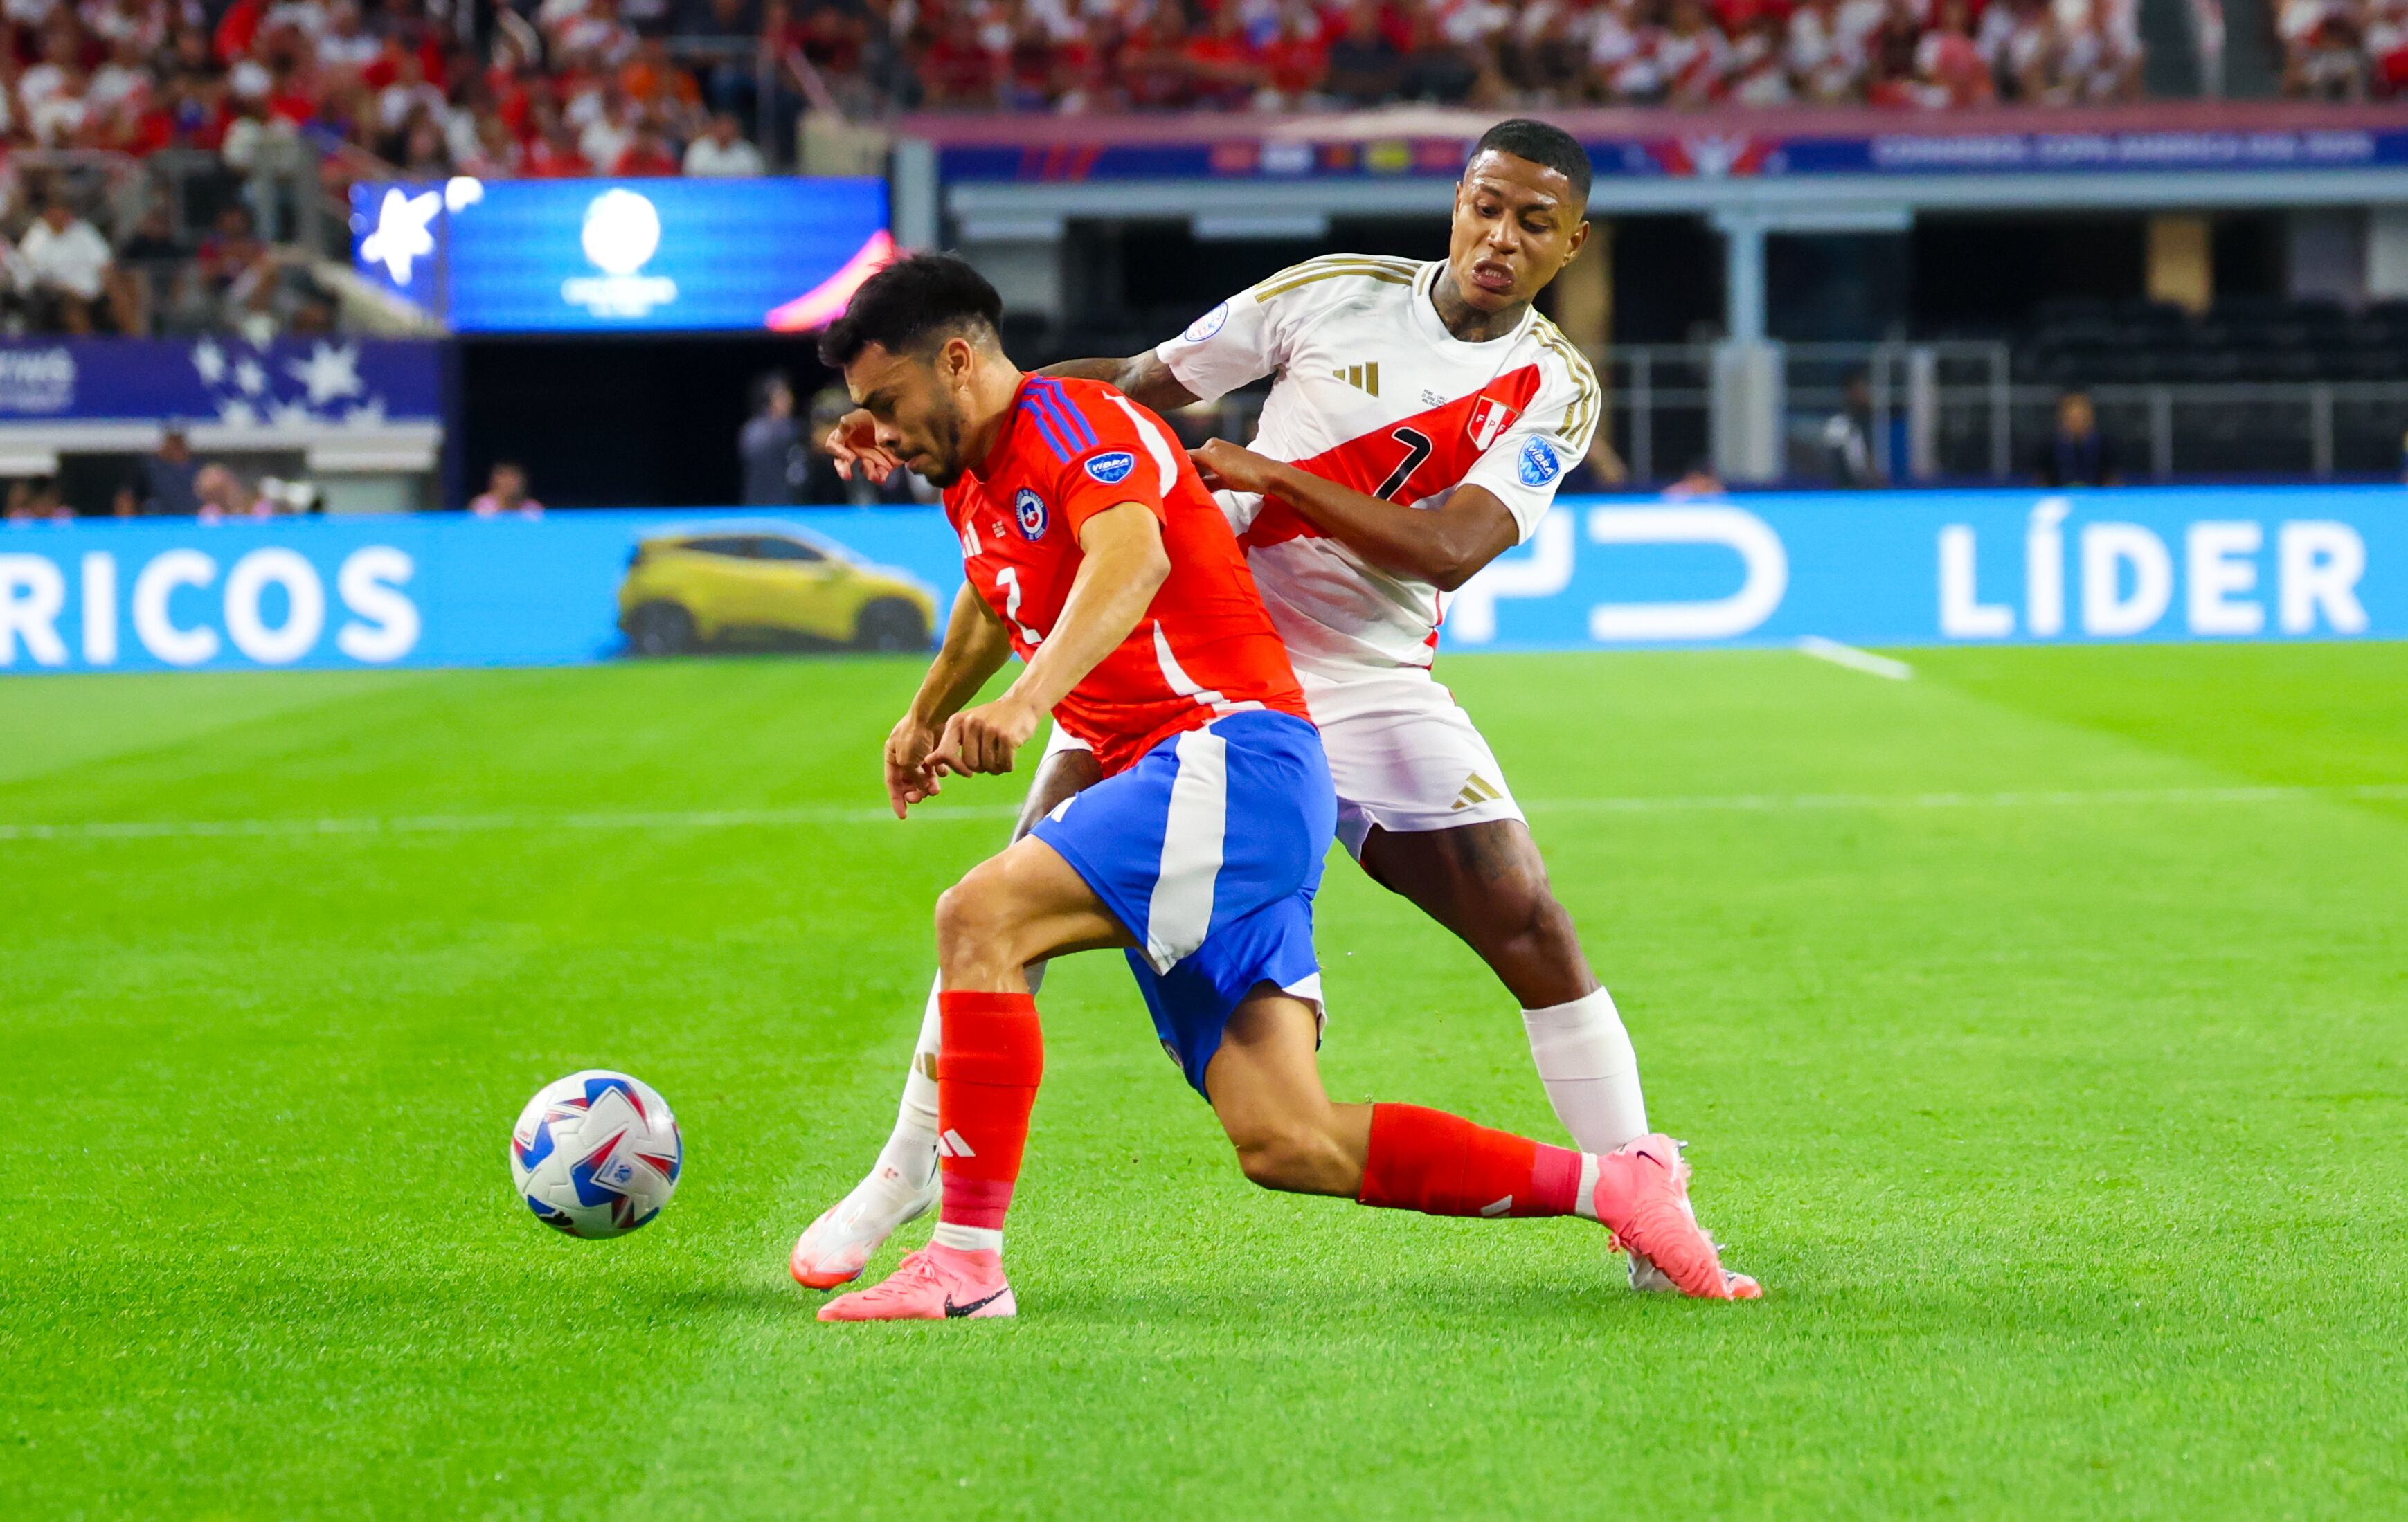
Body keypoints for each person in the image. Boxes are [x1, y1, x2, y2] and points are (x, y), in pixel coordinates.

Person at [800, 119, 1744, 1299]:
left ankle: (1641, 1190)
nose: (1500, 237)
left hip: (1362, 673)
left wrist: (1266, 472)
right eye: (1485, 207)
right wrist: (921, 410)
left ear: (1571, 244)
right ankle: (905, 1175)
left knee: (1524, 919)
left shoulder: (1557, 386)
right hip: (1191, 651)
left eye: (1532, 223)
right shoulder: (1333, 292)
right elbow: (1135, 387)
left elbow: (1449, 549)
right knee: (1007, 895)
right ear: (1456, 202)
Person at [18, 195, 136, 335]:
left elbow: (105, 262)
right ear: (49, 214)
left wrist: (107, 281)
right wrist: (67, 288)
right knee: (72, 304)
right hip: (64, 291)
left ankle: (135, 341)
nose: (65, 216)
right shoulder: (35, 240)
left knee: (122, 287)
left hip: (96, 289)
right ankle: (86, 346)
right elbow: (34, 276)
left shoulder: (82, 230)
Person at [739, 372, 803, 505]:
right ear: (768, 400)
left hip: (791, 503)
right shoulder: (754, 430)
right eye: (782, 396)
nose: (789, 400)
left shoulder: (795, 428)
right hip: (761, 503)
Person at [2035, 388, 2118, 487]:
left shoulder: (2105, 446)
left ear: (2090, 418)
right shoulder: (2047, 448)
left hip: (2097, 494)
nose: (2076, 423)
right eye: (2072, 418)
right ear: (2062, 418)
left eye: (2081, 417)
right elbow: (2040, 482)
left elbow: (2112, 481)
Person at [114, 427, 202, 517]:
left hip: (189, 521)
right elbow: (126, 498)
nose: (175, 447)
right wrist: (127, 523)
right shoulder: (149, 469)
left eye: (178, 443)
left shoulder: (197, 468)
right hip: (156, 522)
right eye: (172, 441)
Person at [681, 110, 764, 176]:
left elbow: (756, 179)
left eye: (728, 127)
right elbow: (691, 178)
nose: (725, 131)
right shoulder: (699, 149)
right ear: (714, 127)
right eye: (722, 127)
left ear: (736, 129)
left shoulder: (746, 152)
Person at [469, 461, 544, 517]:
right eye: (504, 476)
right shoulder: (481, 506)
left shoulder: (533, 508)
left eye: (514, 476)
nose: (509, 482)